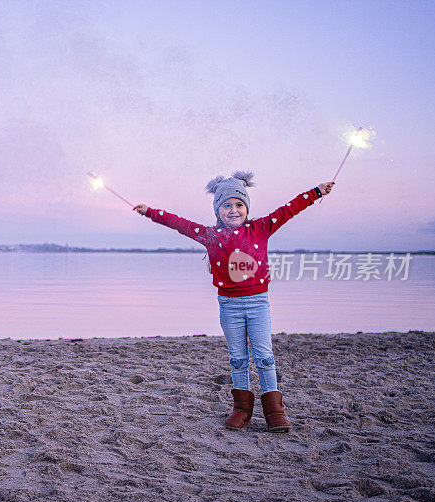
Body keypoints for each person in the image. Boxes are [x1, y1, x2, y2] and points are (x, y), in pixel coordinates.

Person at [133, 171, 334, 432]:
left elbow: (290, 209)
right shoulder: (209, 235)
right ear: (218, 210)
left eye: (239, 204)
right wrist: (150, 212)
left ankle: (274, 410)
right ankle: (242, 409)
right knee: (238, 358)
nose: (233, 210)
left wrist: (316, 192)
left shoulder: (261, 228)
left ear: (246, 208)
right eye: (226, 205)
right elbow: (178, 223)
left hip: (258, 303)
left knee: (264, 357)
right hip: (229, 305)